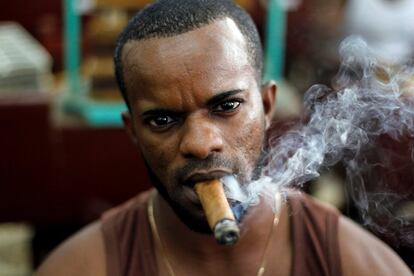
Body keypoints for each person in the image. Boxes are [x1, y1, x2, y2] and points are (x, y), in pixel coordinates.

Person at [36, 1, 412, 275]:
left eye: (227, 106)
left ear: (267, 106)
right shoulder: (84, 265)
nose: (200, 144)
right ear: (133, 131)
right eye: (163, 119)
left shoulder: (353, 262)